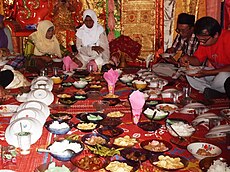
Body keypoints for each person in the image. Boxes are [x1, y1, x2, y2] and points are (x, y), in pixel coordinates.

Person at [179, 16, 230, 99]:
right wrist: (187, 58)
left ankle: (212, 90)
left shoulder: (228, 38)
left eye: (204, 40)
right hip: (215, 73)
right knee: (189, 72)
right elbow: (198, 61)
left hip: (226, 75)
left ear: (216, 35)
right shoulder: (205, 42)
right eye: (199, 40)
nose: (201, 43)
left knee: (223, 76)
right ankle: (213, 90)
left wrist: (208, 73)